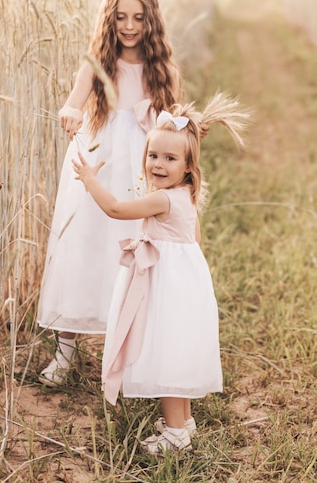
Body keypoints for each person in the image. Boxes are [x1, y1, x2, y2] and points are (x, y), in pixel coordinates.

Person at [37, 0, 208, 386]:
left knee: (138, 248)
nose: (129, 26)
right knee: (84, 244)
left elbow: (171, 117)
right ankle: (66, 350)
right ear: (108, 20)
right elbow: (73, 103)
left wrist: (191, 121)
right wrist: (71, 113)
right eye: (120, 18)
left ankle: (135, 349)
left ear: (152, 21)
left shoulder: (162, 67)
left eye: (138, 18)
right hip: (99, 159)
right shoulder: (96, 64)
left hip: (143, 167)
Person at [72, 96, 249, 454]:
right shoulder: (185, 195)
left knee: (166, 352)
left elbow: (116, 208)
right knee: (176, 350)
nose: (158, 164)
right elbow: (195, 240)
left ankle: (175, 435)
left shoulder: (163, 200)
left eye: (170, 159)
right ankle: (182, 422)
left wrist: (90, 179)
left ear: (187, 166)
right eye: (153, 156)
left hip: (166, 285)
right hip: (182, 283)